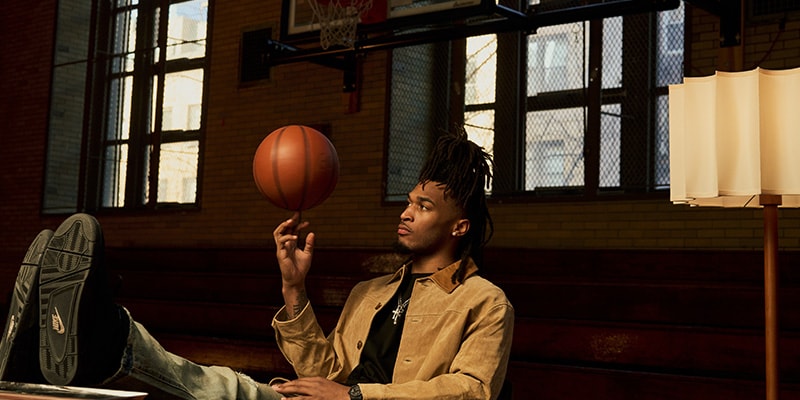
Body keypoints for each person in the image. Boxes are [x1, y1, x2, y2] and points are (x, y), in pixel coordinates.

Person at [0, 130, 514, 400]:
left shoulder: (484, 302)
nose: (405, 212)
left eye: (423, 207)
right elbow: (321, 372)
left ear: (459, 226)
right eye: (408, 201)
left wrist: (352, 396)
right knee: (215, 384)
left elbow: (470, 391)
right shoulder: (371, 292)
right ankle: (89, 340)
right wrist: (294, 288)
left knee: (215, 389)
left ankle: (98, 335)